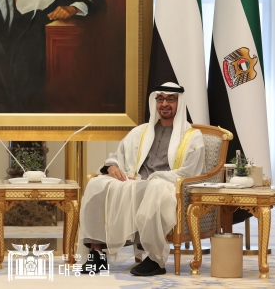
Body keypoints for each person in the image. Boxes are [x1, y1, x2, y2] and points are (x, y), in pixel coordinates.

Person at [78, 82, 205, 276]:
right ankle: (96, 253)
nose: (164, 103)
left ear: (179, 103)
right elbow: (117, 155)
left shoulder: (192, 137)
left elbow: (191, 171)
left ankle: (155, 259)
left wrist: (156, 177)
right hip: (134, 181)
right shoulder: (141, 131)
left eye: (170, 99)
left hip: (166, 185)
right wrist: (112, 167)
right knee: (96, 184)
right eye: (160, 99)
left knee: (154, 189)